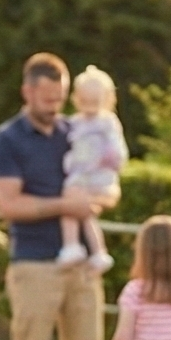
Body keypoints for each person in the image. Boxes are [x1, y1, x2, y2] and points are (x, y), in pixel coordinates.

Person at [0, 53, 111, 340]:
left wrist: (94, 200)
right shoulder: (8, 138)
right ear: (28, 92)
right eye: (47, 99)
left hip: (80, 265)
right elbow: (9, 203)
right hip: (34, 262)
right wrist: (65, 204)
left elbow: (106, 184)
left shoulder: (74, 132)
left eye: (60, 99)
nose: (55, 107)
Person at [58, 66, 128, 276]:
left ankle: (72, 245)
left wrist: (112, 160)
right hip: (82, 176)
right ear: (76, 99)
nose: (89, 107)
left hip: (97, 177)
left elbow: (118, 150)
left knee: (70, 203)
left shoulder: (107, 122)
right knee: (85, 214)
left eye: (94, 102)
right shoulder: (74, 123)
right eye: (85, 101)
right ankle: (97, 251)